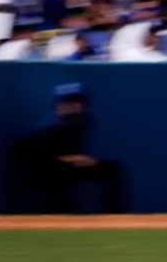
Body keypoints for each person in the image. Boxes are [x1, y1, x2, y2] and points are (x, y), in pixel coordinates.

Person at [15, 82, 126, 213]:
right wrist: (75, 159)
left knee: (112, 168)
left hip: (71, 169)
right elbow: (45, 155)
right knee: (54, 184)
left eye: (77, 102)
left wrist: (80, 160)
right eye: (68, 102)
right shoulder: (49, 126)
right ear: (58, 105)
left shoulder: (83, 120)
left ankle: (114, 216)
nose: (73, 105)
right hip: (48, 172)